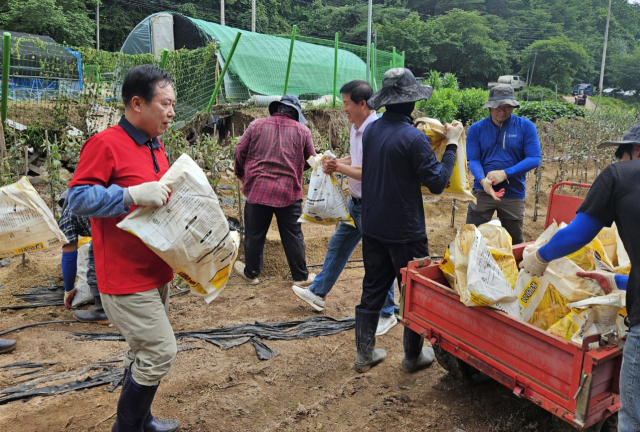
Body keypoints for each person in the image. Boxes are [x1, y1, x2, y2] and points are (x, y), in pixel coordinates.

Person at [68, 64, 179, 432]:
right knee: (160, 352)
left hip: (157, 270)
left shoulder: (155, 145)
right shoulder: (105, 144)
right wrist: (129, 194)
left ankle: (141, 421)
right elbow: (78, 199)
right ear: (137, 104)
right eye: (165, 103)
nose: (172, 112)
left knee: (142, 352)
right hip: (125, 277)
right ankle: (127, 427)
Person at [520, 123, 640, 432]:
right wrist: (617, 282)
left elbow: (577, 235)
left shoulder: (620, 176)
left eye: (622, 154)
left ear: (635, 150)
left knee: (634, 416)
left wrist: (539, 257)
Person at [355, 67, 463, 373]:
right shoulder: (414, 139)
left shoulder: (372, 129)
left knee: (373, 287)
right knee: (414, 293)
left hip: (374, 225)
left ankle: (364, 354)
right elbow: (438, 182)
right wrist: (452, 144)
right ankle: (412, 357)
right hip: (405, 230)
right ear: (412, 101)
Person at [291, 80, 398, 336]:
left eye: (347, 104)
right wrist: (336, 161)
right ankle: (317, 293)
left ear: (363, 104)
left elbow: (370, 171)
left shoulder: (375, 130)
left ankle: (387, 312)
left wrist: (337, 167)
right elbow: (357, 160)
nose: (344, 109)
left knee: (379, 260)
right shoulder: (356, 127)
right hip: (355, 204)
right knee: (338, 246)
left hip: (373, 206)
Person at [233, 94, 317, 286]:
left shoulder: (256, 125)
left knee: (254, 234)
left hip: (257, 190)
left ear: (278, 108)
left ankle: (252, 273)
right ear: (295, 113)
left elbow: (239, 150)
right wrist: (296, 169)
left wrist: (241, 172)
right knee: (293, 235)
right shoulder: (303, 131)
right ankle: (300, 277)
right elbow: (311, 160)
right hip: (289, 193)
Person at [466, 85, 541, 244]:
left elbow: (534, 158)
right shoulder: (476, 129)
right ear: (490, 107)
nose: (502, 110)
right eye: (497, 107)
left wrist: (505, 173)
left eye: (507, 106)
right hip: (483, 191)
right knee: (472, 238)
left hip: (513, 193)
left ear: (513, 106)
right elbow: (474, 160)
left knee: (514, 242)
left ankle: (512, 267)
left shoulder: (525, 127)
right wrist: (482, 180)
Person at [57, 189, 109, 324]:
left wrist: (68, 289)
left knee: (94, 265)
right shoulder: (92, 193)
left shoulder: (68, 214)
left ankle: (102, 311)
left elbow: (69, 255)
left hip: (107, 228)